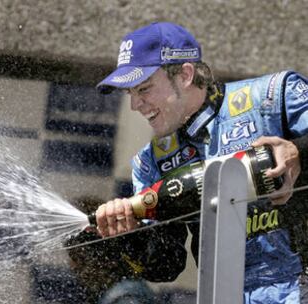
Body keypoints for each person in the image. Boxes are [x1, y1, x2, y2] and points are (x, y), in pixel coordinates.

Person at [84, 21, 308, 304]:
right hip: (223, 294)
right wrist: (129, 235)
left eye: (144, 89)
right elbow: (167, 266)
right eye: (130, 94)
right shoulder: (150, 161)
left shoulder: (274, 96)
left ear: (185, 75)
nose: (135, 105)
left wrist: (298, 152)